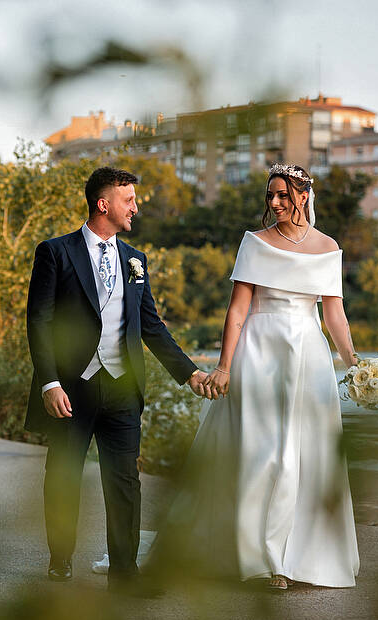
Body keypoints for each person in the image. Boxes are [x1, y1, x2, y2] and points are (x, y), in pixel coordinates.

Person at [153, 162, 360, 590]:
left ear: (303, 196)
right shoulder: (255, 243)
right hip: (260, 350)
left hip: (307, 353)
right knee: (262, 451)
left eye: (284, 195)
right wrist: (225, 366)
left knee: (304, 453)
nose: (276, 203)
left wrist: (356, 365)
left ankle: (294, 558)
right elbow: (238, 310)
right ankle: (259, 561)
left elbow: (334, 314)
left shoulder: (327, 247)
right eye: (270, 196)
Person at [25, 166, 210, 593]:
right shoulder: (55, 252)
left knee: (125, 480)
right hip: (72, 387)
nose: (136, 207)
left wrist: (191, 373)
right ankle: (60, 558)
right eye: (129, 200)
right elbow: (39, 321)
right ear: (103, 204)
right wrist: (49, 382)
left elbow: (151, 326)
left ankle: (125, 573)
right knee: (64, 475)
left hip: (123, 386)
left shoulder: (135, 260)